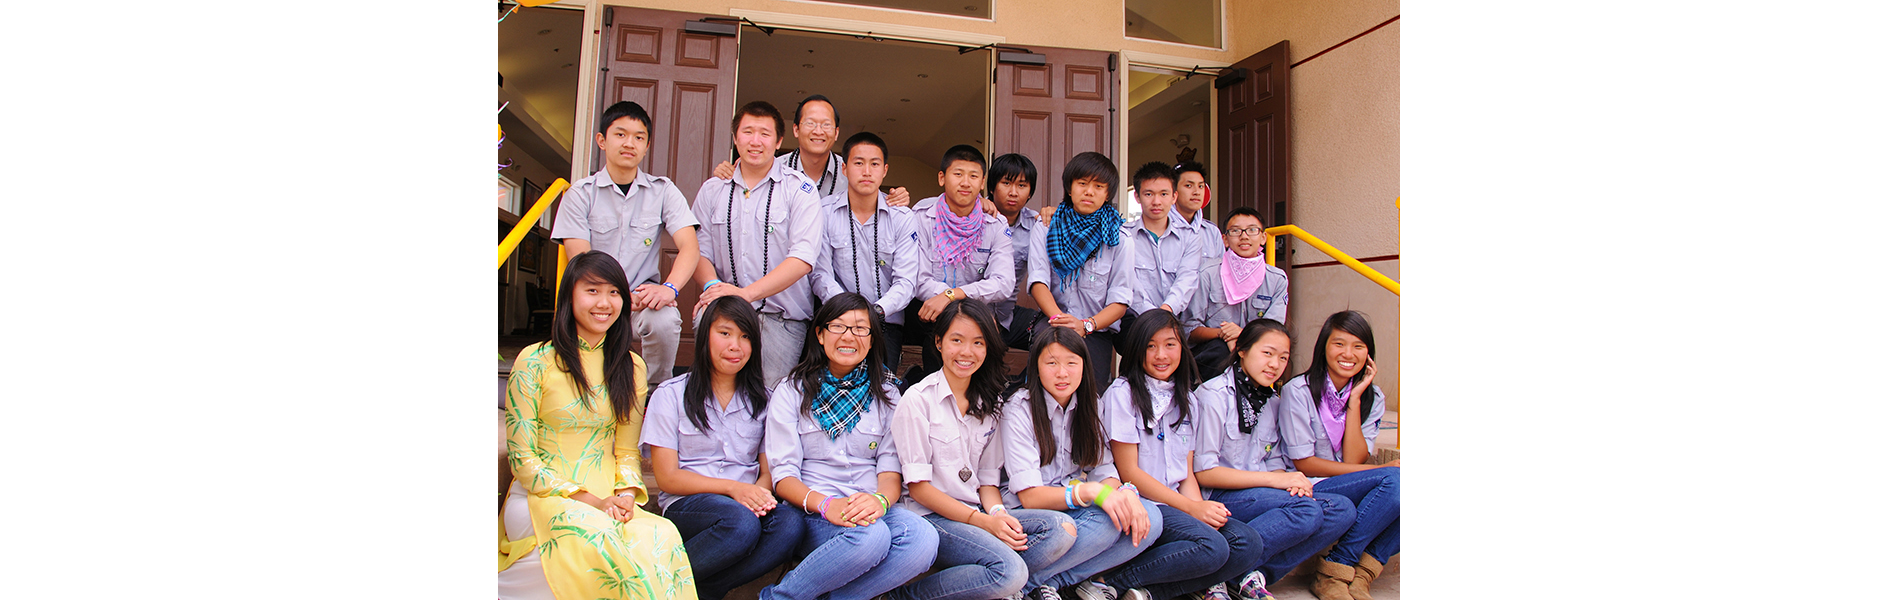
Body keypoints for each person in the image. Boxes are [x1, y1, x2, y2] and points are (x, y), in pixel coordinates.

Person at [501, 251, 697, 600]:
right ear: (569, 296)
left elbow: (627, 452)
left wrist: (625, 496)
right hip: (542, 497)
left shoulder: (631, 367)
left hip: (607, 497)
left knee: (661, 535)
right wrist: (591, 500)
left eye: (613, 292)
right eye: (592, 291)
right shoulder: (535, 361)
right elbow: (523, 459)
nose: (604, 303)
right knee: (597, 535)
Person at [890, 299, 1077, 600]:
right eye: (957, 340)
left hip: (977, 511)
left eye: (978, 342)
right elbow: (919, 488)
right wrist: (982, 522)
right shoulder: (918, 400)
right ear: (938, 343)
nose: (967, 352)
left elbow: (988, 481)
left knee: (1061, 527)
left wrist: (998, 514)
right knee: (1009, 572)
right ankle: (907, 596)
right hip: (931, 517)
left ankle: (986, 585)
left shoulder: (990, 402)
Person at [762, 293, 938, 600]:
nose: (848, 336)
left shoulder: (887, 394)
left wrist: (880, 501)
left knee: (922, 538)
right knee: (870, 538)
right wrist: (827, 505)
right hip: (815, 511)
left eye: (860, 329)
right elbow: (783, 476)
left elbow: (889, 467)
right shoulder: (791, 391)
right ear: (820, 335)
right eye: (838, 326)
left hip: (869, 506)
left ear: (871, 340)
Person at [641, 296, 804, 600]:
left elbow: (768, 470)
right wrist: (733, 489)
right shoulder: (670, 395)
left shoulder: (766, 400)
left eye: (745, 337)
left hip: (745, 505)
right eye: (725, 333)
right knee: (739, 523)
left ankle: (707, 589)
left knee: (790, 524)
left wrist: (756, 495)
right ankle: (655, 585)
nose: (735, 346)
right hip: (689, 505)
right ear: (705, 336)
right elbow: (667, 477)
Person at [1101, 309, 1268, 600]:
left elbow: (1186, 473)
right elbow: (1130, 472)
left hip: (1178, 503)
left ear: (1182, 348)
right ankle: (1114, 582)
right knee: (1212, 547)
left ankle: (1148, 593)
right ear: (1137, 349)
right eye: (1151, 346)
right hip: (1145, 504)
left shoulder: (1187, 398)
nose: (1161, 355)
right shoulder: (1122, 393)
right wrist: (1191, 509)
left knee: (1248, 542)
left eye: (1170, 344)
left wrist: (1201, 508)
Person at [999, 326, 1164, 600]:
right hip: (1029, 514)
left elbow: (1103, 468)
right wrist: (1091, 491)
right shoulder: (1019, 409)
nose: (1062, 373)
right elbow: (1030, 497)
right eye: (1051, 363)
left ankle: (1048, 582)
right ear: (1036, 367)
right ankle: (1030, 584)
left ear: (1084, 366)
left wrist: (1124, 493)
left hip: (1071, 506)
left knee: (1150, 517)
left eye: (1071, 363)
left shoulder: (1090, 404)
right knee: (1105, 523)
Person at [1192, 319, 1356, 590]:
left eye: (1283, 358)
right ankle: (1221, 567)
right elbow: (1205, 471)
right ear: (1242, 350)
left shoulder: (1272, 401)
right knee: (1306, 511)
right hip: (1221, 495)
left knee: (1340, 508)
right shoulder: (1214, 396)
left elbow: (1275, 462)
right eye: (1267, 353)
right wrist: (1276, 481)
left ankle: (1252, 573)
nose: (1274, 364)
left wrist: (1290, 484)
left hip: (1261, 493)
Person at [550, 100, 701, 389]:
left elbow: (690, 247)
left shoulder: (663, 190)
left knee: (664, 319)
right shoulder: (580, 194)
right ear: (602, 140)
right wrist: (617, 296)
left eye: (639, 137)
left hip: (642, 300)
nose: (629, 143)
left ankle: (653, 393)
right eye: (620, 134)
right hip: (595, 297)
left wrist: (668, 289)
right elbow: (581, 261)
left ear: (646, 146)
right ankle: (593, 389)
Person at [692, 100, 825, 385]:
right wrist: (714, 288)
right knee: (714, 390)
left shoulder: (800, 189)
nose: (755, 141)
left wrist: (746, 294)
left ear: (778, 142)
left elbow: (802, 258)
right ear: (735, 137)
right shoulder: (713, 189)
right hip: (725, 312)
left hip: (780, 320)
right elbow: (698, 251)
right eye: (748, 132)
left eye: (765, 134)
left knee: (770, 400)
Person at [1278, 310, 1399, 600]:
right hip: (1306, 485)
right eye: (1339, 344)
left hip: (1345, 481)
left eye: (1358, 346)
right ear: (1324, 347)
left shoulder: (1372, 396)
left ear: (1368, 354)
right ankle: (1335, 569)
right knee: (1396, 481)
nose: (1348, 354)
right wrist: (1378, 473)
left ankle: (1362, 575)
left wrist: (1355, 400)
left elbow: (1353, 459)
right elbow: (1305, 463)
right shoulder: (1299, 391)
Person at [809, 132, 920, 367]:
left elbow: (906, 281)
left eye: (875, 164)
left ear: (885, 170)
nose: (867, 171)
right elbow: (820, 274)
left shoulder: (902, 217)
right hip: (837, 319)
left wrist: (875, 312)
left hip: (886, 322)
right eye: (858, 163)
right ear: (844, 168)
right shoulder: (824, 212)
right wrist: (850, 314)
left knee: (880, 385)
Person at [906, 145, 1014, 384]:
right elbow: (918, 279)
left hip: (977, 313)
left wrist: (952, 296)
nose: (966, 182)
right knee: (938, 332)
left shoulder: (995, 224)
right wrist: (949, 301)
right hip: (933, 315)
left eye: (973, 176)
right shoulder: (921, 218)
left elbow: (1004, 282)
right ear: (942, 178)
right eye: (958, 174)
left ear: (982, 182)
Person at [1027, 152, 1130, 390]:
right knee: (1043, 389)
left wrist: (1086, 326)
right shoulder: (1046, 227)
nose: (1089, 192)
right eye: (1082, 183)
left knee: (1091, 394)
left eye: (1098, 186)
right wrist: (1060, 321)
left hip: (1095, 329)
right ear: (1069, 188)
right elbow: (1038, 281)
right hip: (1053, 320)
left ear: (1108, 194)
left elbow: (1120, 300)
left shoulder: (1120, 239)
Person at [712, 94, 913, 208]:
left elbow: (872, 197)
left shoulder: (851, 169)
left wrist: (896, 198)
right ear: (796, 129)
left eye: (826, 125)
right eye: (810, 123)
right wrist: (732, 172)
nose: (818, 131)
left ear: (836, 133)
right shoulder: (773, 168)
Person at [1183, 207, 1289, 378]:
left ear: (1263, 237)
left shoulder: (1277, 279)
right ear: (1225, 239)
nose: (1244, 236)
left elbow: (1273, 332)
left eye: (1252, 230)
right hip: (1215, 357)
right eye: (1235, 231)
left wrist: (1242, 335)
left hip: (1254, 352)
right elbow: (1189, 329)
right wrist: (1223, 334)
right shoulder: (1208, 273)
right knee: (1220, 349)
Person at [1121, 161, 1202, 320]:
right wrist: (1155, 318)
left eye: (1164, 194)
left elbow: (1186, 280)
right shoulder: (1124, 236)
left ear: (1174, 197)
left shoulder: (1190, 237)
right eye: (1149, 194)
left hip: (1176, 319)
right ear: (1137, 197)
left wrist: (1166, 311)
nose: (1156, 202)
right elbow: (1129, 283)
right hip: (1136, 320)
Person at [988, 153, 1046, 350]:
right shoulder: (974, 214)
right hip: (971, 314)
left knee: (1051, 332)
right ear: (992, 187)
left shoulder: (1036, 225)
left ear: (1030, 192)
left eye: (1022, 185)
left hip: (1006, 317)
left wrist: (1062, 215)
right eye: (1006, 183)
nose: (1013, 192)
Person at [1172, 161, 1225, 263]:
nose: (1196, 192)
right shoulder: (1161, 228)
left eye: (1201, 186)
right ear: (1173, 191)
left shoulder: (1212, 232)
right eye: (1189, 185)